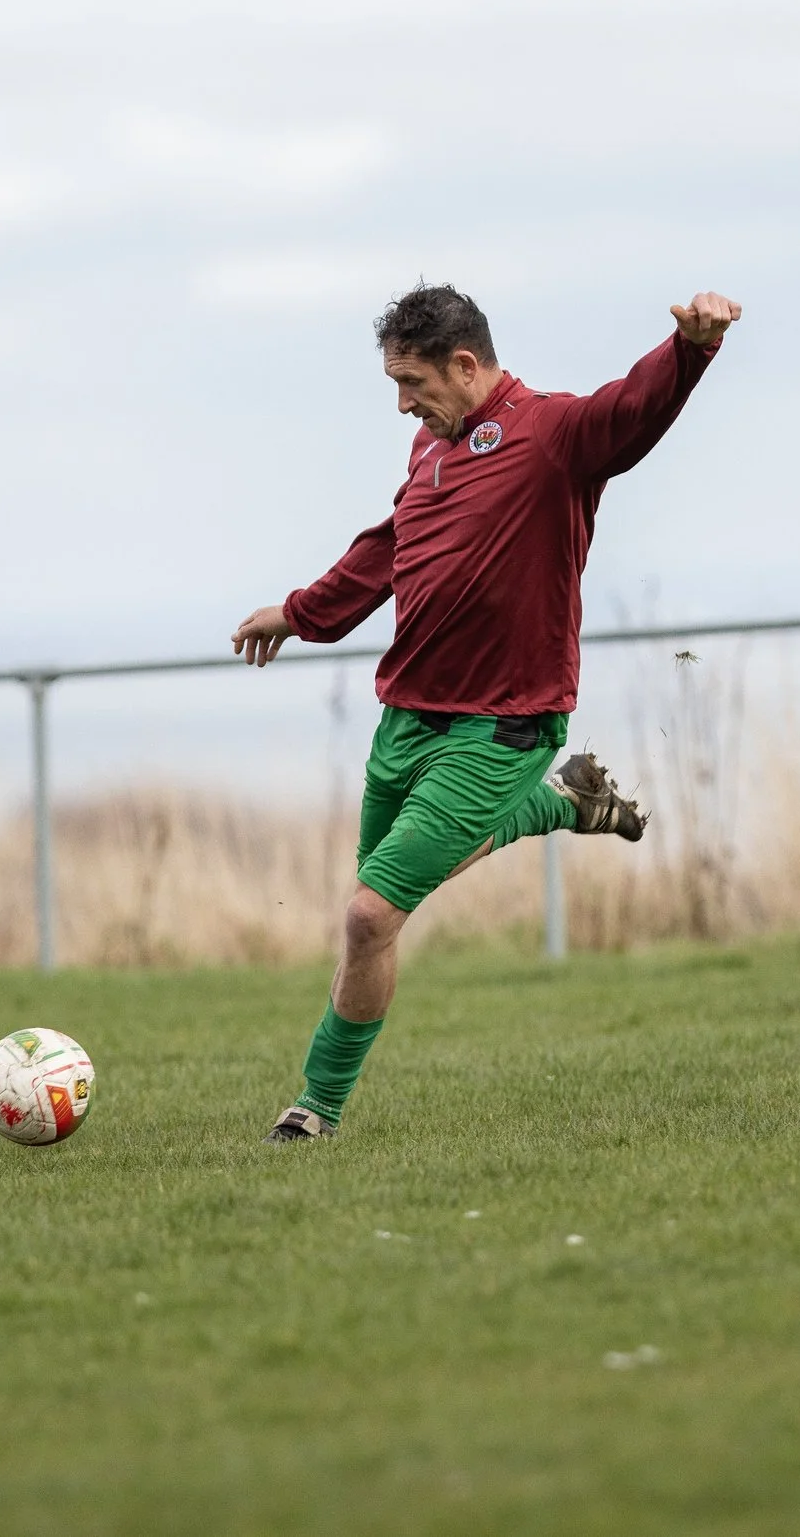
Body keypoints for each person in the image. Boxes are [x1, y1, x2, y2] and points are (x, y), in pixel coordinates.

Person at [231, 282, 741, 1143]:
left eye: (413, 384)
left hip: (502, 723)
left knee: (368, 914)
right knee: (371, 923)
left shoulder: (551, 433)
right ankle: (563, 804)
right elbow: (387, 549)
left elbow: (630, 412)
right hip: (407, 721)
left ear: (465, 364)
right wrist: (301, 612)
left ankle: (313, 1109)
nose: (402, 405)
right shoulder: (429, 454)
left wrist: (690, 352)